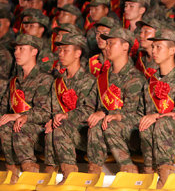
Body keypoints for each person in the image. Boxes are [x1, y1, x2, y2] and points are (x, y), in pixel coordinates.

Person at [139, 28, 175, 187]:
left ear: (172, 51)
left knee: (162, 123)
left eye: (159, 47)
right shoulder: (150, 82)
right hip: (157, 132)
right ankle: (149, 173)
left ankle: (165, 177)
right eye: (153, 47)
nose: (154, 51)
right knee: (145, 124)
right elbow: (141, 112)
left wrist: (159, 116)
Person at [86, 27, 145, 174]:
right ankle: (94, 171)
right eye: (107, 43)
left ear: (125, 46)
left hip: (132, 130)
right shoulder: (103, 77)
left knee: (109, 124)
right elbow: (89, 105)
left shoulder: (135, 78)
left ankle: (128, 169)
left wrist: (107, 114)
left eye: (111, 43)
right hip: (107, 125)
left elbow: (134, 114)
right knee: (94, 124)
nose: (107, 47)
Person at [0, 35, 54, 180]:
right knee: (4, 126)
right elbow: (4, 109)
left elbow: (45, 112)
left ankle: (29, 170)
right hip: (16, 128)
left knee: (19, 127)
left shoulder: (44, 79)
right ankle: (12, 171)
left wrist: (20, 116)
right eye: (15, 49)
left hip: (39, 131)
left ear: (34, 51)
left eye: (21, 49)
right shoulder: (14, 81)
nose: (16, 53)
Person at [45, 33, 96, 180]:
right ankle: (49, 175)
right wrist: (52, 120)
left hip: (83, 131)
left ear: (77, 53)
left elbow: (88, 109)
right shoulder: (58, 81)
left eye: (65, 50)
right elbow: (53, 108)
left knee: (60, 127)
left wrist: (66, 116)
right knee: (51, 128)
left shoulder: (88, 80)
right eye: (59, 50)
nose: (60, 54)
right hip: (64, 126)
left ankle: (70, 175)